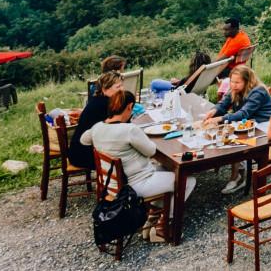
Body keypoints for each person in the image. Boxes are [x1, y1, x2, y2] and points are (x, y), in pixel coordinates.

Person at [82, 90, 196, 242]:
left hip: (113, 185)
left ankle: (153, 217)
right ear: (129, 107)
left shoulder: (97, 128)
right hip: (135, 186)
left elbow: (84, 139)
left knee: (166, 169)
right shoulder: (129, 130)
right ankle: (163, 225)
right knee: (188, 180)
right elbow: (151, 151)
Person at [204, 65, 271, 193]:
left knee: (234, 138)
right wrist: (213, 111)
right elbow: (223, 104)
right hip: (248, 123)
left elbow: (243, 113)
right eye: (232, 81)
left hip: (264, 125)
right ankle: (240, 173)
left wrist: (220, 119)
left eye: (237, 82)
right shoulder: (235, 90)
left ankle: (238, 176)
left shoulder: (258, 91)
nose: (233, 85)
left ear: (247, 81)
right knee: (228, 133)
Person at [68, 70, 125, 170]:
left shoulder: (98, 99)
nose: (122, 89)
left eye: (122, 85)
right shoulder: (105, 105)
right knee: (127, 158)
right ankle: (121, 183)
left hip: (78, 151)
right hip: (84, 154)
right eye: (118, 87)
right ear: (104, 89)